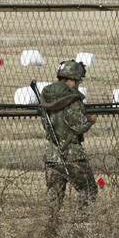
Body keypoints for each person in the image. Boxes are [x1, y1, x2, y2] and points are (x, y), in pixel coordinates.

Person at [40, 59, 98, 218]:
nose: (78, 84)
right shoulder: (72, 99)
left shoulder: (46, 97)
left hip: (52, 154)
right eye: (78, 80)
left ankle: (50, 232)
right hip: (71, 154)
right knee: (89, 189)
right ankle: (81, 226)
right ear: (73, 80)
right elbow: (79, 127)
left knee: (54, 199)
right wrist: (90, 121)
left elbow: (46, 125)